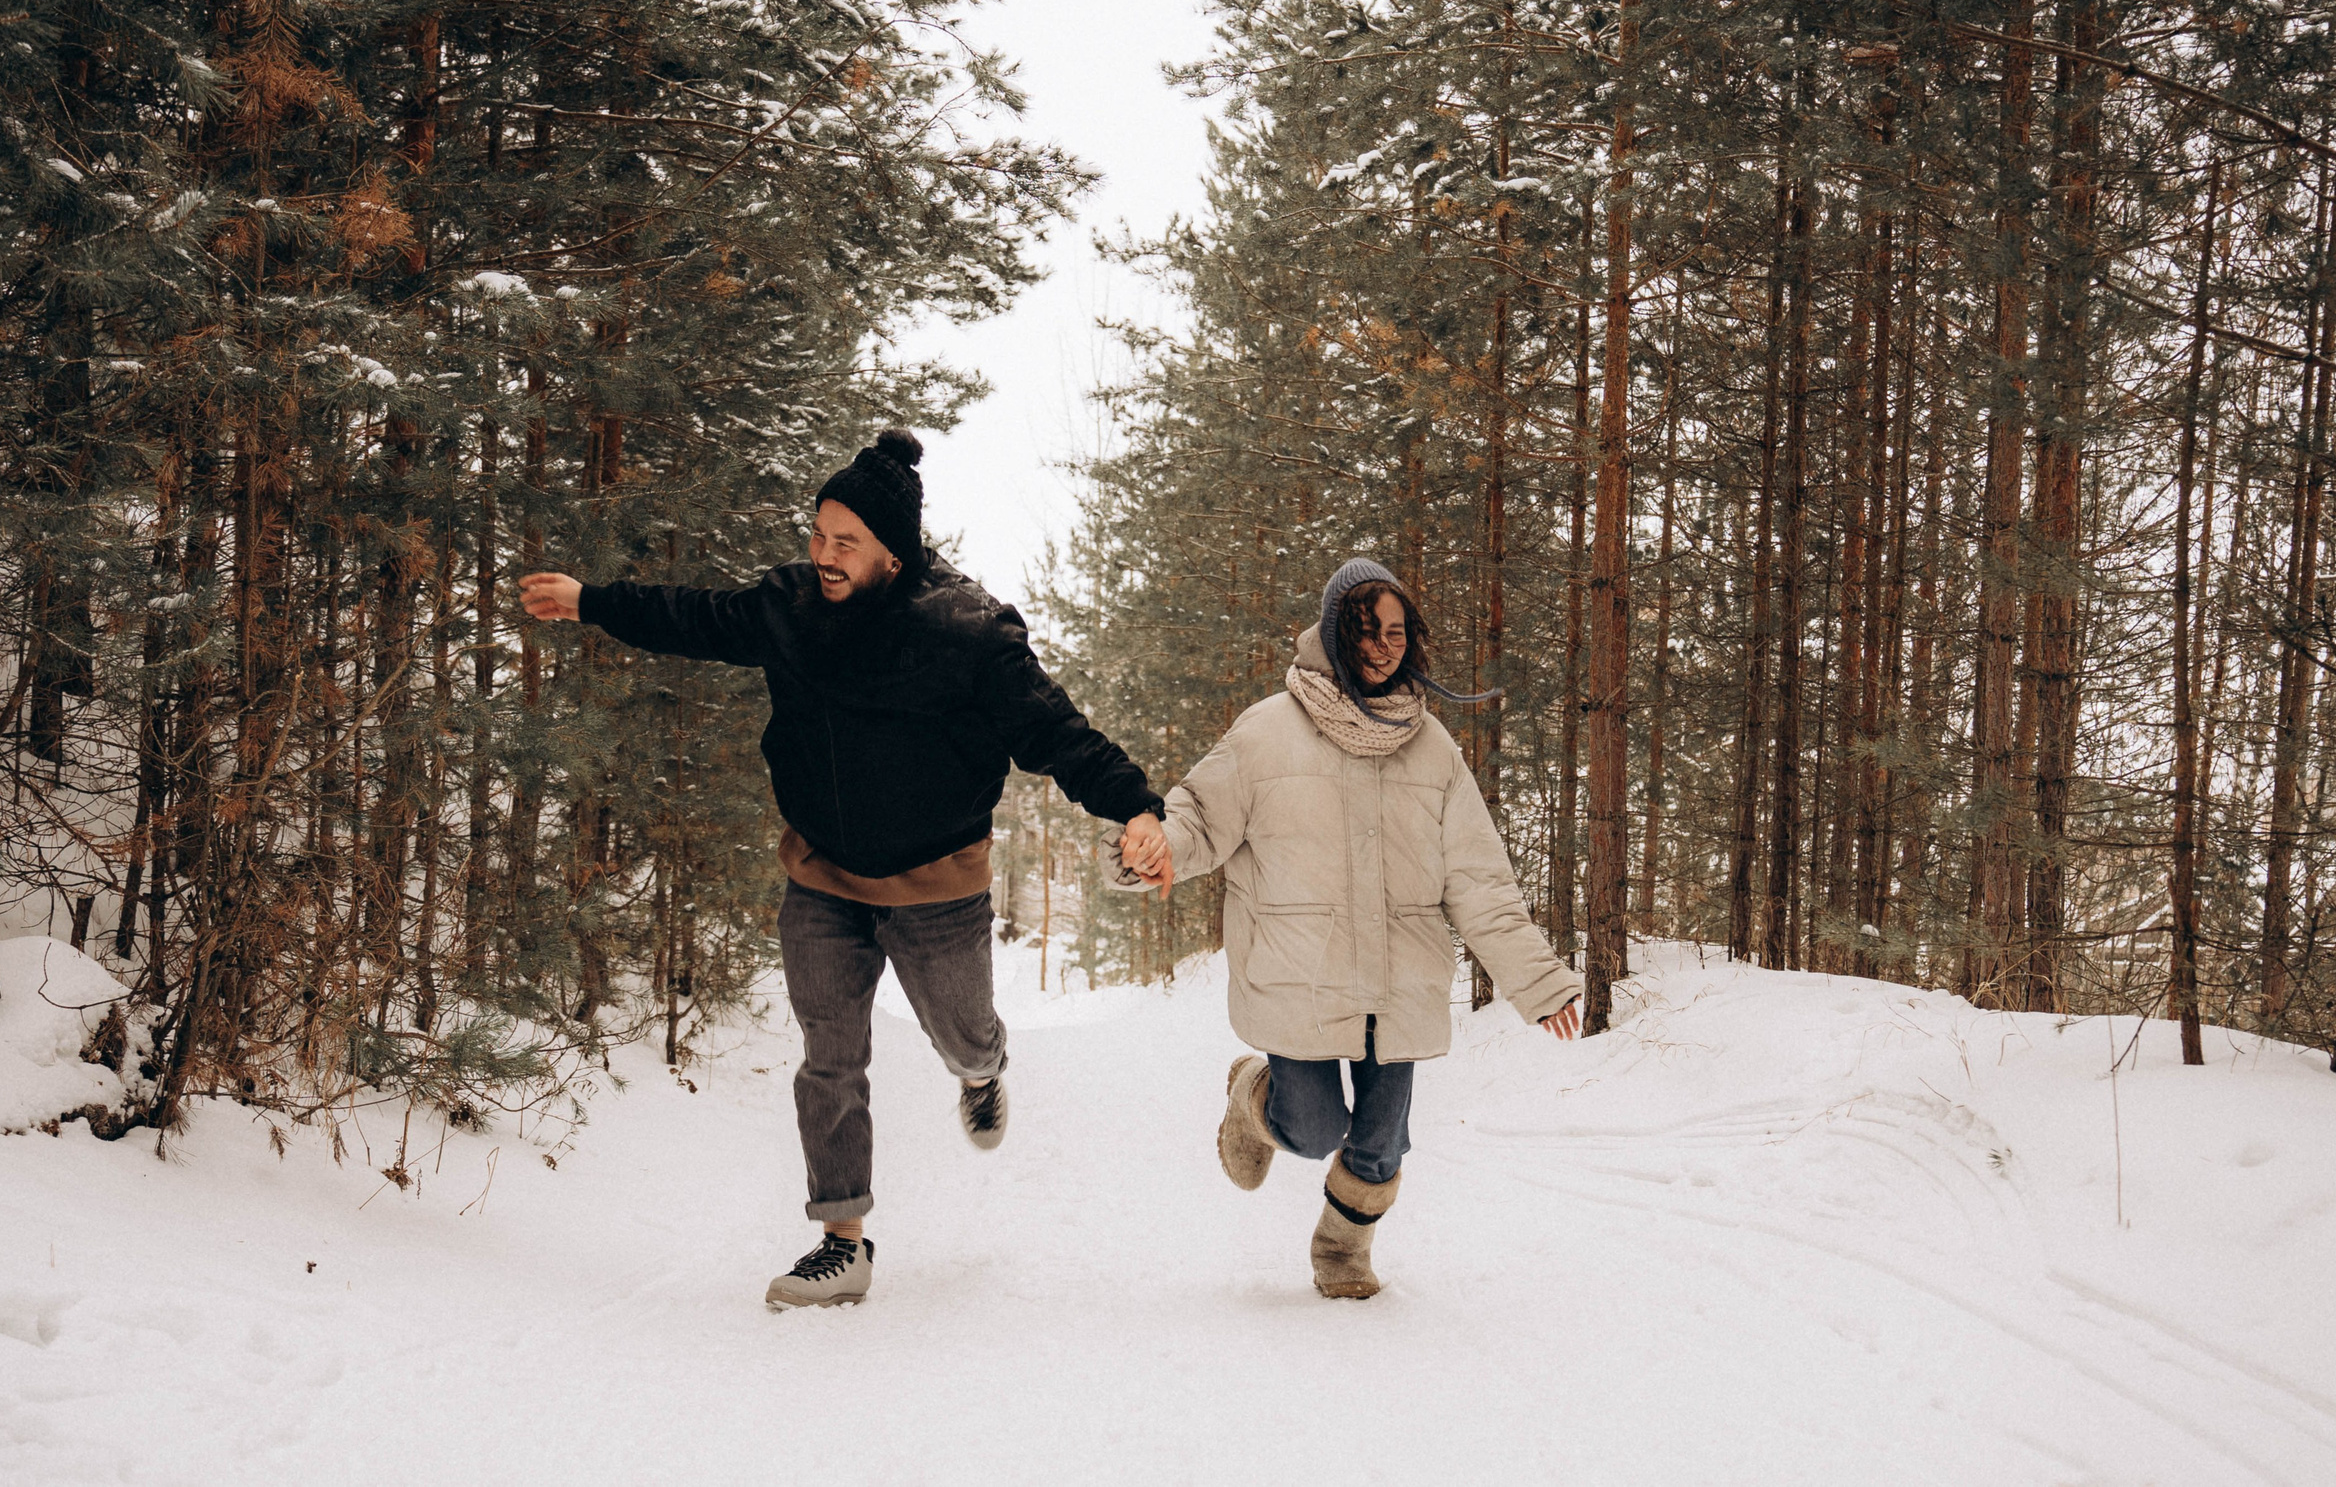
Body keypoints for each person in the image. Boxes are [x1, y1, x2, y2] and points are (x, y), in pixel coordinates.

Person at [520, 429, 1173, 1309]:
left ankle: (982, 1070)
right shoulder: (791, 606)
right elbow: (695, 616)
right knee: (830, 1059)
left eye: (846, 541)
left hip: (937, 886)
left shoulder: (969, 630)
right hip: (822, 876)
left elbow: (1057, 732)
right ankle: (843, 1239)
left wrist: (1136, 804)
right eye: (818, 535)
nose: (824, 556)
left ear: (892, 552)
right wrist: (592, 600)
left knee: (963, 1031)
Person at [1105, 557, 1580, 1299]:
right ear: (1333, 632)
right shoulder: (1267, 732)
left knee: (1384, 1138)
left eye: (1397, 630)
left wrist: (1538, 981)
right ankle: (1250, 1099)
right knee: (1315, 1126)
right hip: (1302, 974)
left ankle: (1341, 1253)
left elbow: (1480, 881)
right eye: (1367, 629)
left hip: (1401, 980)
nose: (1384, 644)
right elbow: (1197, 814)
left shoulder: (1433, 749)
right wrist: (1152, 847)